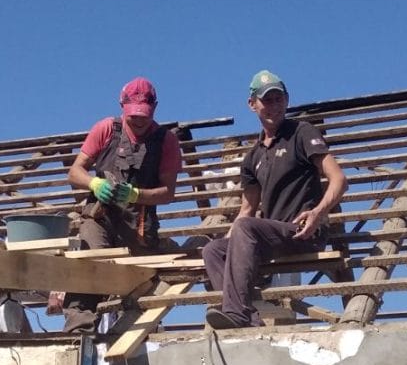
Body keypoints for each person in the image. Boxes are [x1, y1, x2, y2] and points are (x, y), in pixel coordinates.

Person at [202, 70, 348, 329]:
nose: (274, 106)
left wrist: (317, 213)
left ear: (287, 100)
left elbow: (339, 179)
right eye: (267, 100)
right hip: (272, 236)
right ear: (252, 104)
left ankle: (238, 312)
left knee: (245, 229)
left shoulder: (301, 133)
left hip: (303, 232)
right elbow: (247, 209)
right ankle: (248, 317)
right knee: (213, 250)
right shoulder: (252, 157)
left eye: (278, 99)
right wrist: (229, 243)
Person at [61, 76, 182, 332]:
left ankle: (135, 330)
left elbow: (168, 192)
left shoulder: (166, 141)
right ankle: (79, 327)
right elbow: (75, 172)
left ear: (155, 108)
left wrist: (136, 195)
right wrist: (95, 184)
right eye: (133, 116)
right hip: (100, 217)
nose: (138, 121)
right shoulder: (106, 129)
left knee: (140, 282)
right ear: (122, 106)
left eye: (144, 116)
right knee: (90, 262)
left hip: (137, 223)